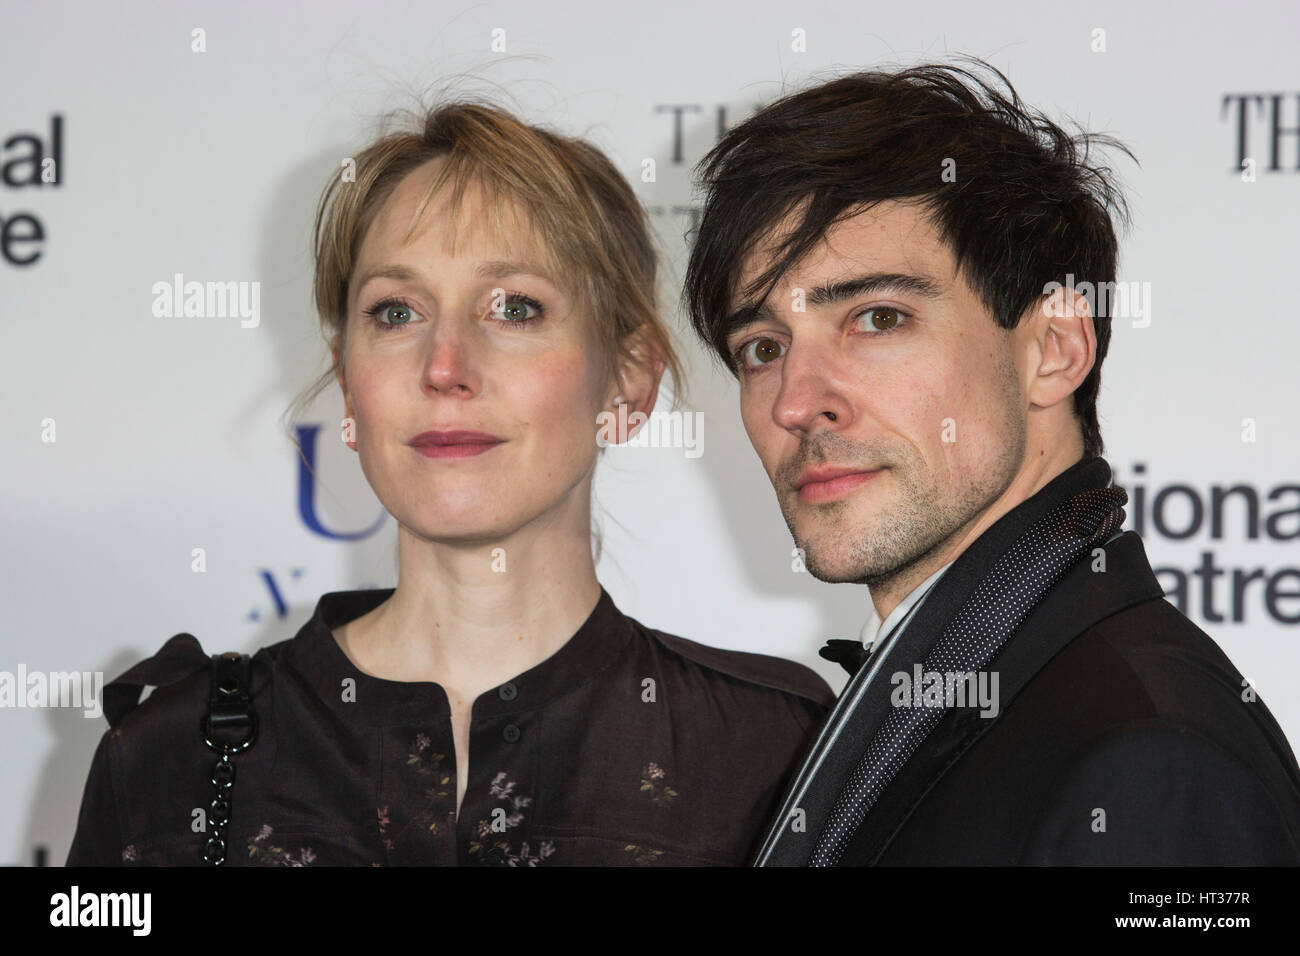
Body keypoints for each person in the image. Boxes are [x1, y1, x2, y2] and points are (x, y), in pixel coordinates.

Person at [66, 100, 833, 867]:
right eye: (396, 312)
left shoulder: (772, 748)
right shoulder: (169, 756)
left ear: (629, 384)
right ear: (348, 382)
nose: (443, 367)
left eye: (515, 309)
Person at [683, 59, 1300, 865]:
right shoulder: (958, 700)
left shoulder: (1147, 760)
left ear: (1053, 349)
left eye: (877, 318)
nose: (796, 403)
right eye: (763, 348)